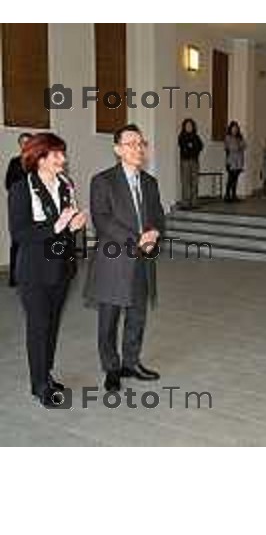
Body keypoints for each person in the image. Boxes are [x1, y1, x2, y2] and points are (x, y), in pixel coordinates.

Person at [8, 133, 87, 407]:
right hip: (34, 271)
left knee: (52, 325)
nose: (62, 160)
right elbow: (20, 233)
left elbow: (68, 222)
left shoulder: (66, 185)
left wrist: (75, 225)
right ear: (39, 158)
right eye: (56, 155)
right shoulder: (21, 189)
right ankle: (39, 385)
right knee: (38, 326)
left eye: (62, 154)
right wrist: (55, 226)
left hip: (62, 267)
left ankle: (46, 373)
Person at [85, 124, 165, 392]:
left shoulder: (150, 183)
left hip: (142, 261)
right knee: (108, 319)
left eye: (141, 143)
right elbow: (102, 221)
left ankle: (131, 362)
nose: (138, 148)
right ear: (117, 149)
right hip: (114, 261)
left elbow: (158, 218)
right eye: (131, 143)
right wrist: (137, 238)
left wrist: (154, 232)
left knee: (137, 315)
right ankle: (111, 368)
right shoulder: (103, 181)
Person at [5, 132, 33, 287]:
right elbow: (8, 184)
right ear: (19, 145)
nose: (25, 145)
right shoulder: (14, 162)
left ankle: (32, 276)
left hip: (36, 207)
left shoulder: (38, 162)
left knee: (35, 241)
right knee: (17, 241)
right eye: (22, 142)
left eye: (28, 142)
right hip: (19, 207)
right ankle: (14, 278)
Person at [178, 118, 204, 208]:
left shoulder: (196, 136)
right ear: (184, 127)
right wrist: (191, 147)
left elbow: (200, 146)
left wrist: (191, 146)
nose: (189, 127)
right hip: (185, 161)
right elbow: (184, 147)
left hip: (194, 161)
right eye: (187, 125)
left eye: (190, 125)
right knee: (186, 182)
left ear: (193, 127)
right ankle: (185, 203)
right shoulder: (181, 136)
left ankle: (194, 202)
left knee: (195, 182)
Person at [224, 121, 246, 202]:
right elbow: (231, 148)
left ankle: (234, 195)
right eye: (233, 128)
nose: (235, 130)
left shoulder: (240, 137)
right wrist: (238, 146)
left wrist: (239, 146)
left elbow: (244, 145)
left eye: (236, 128)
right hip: (231, 162)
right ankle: (227, 195)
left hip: (238, 162)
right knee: (230, 179)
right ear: (230, 129)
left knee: (235, 179)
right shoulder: (228, 137)